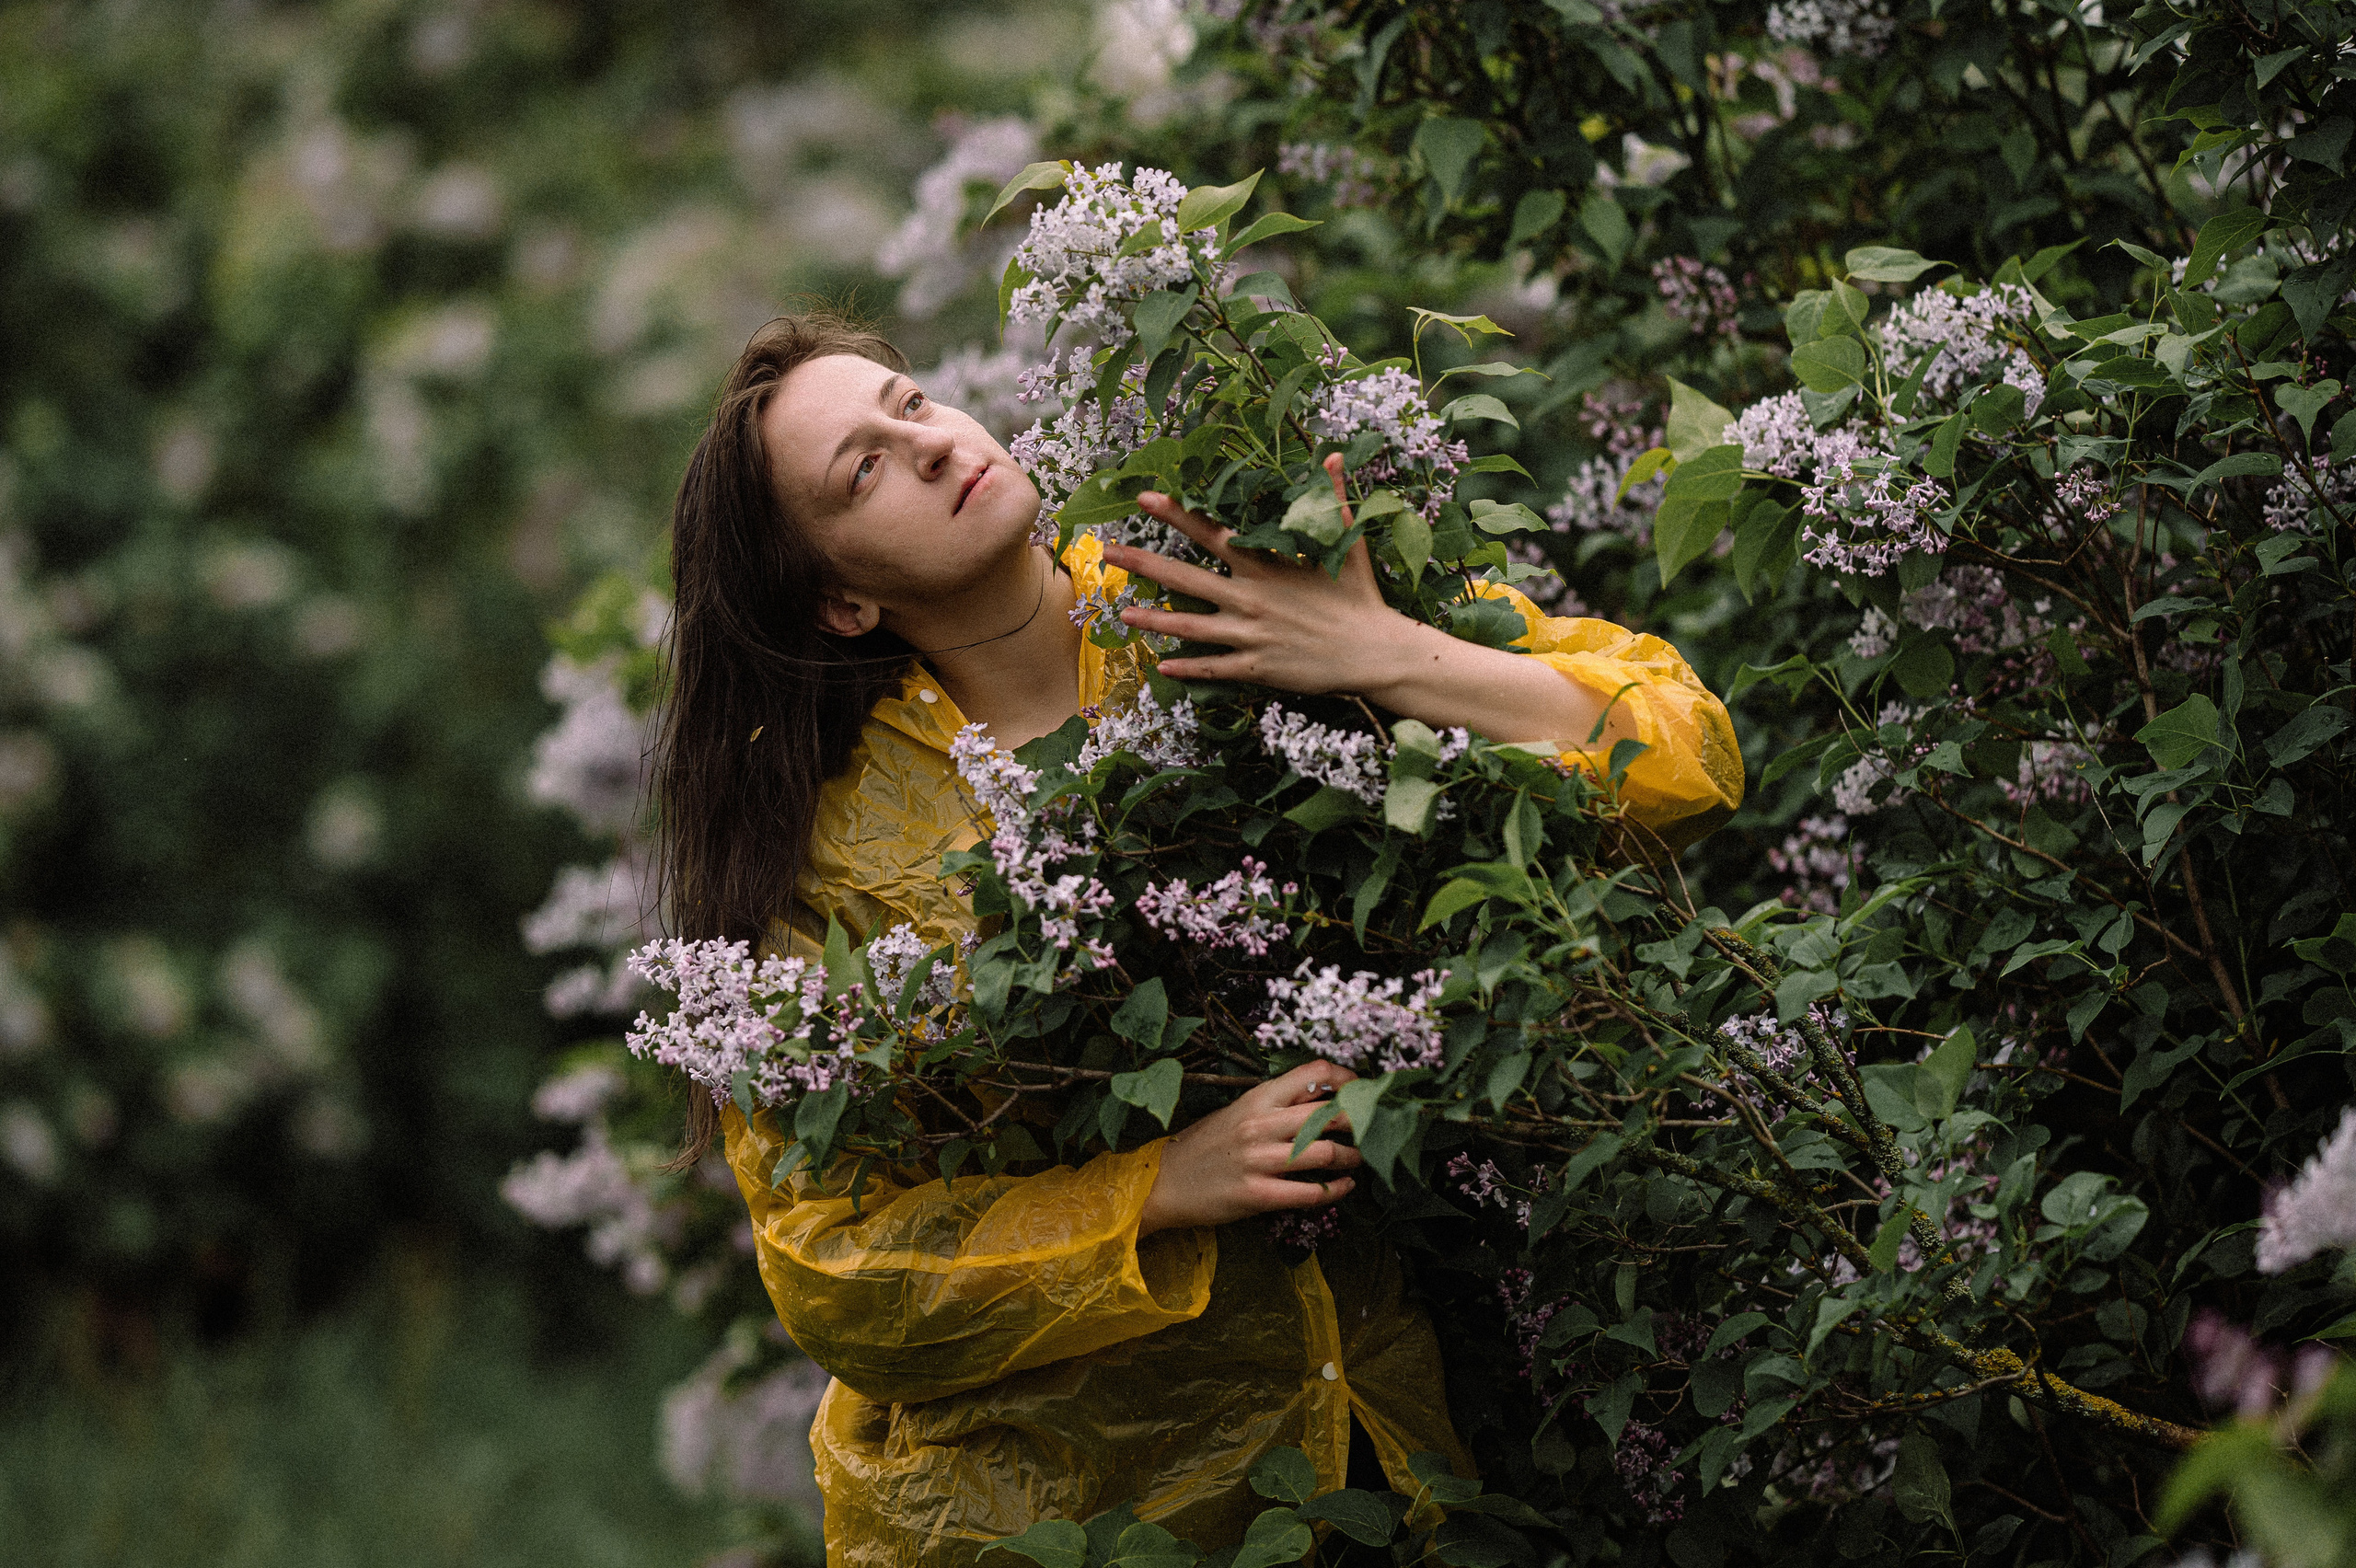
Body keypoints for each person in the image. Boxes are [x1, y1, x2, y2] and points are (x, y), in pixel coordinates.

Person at [654, 311, 1744, 1566]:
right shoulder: (838, 866)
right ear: (843, 600)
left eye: (911, 404)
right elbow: (840, 1276)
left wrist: (1378, 651)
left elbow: (1682, 749)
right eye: (864, 469)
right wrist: (1156, 1190)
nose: (932, 446)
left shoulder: (1223, 584)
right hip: (1066, 1517)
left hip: (1423, 1454)